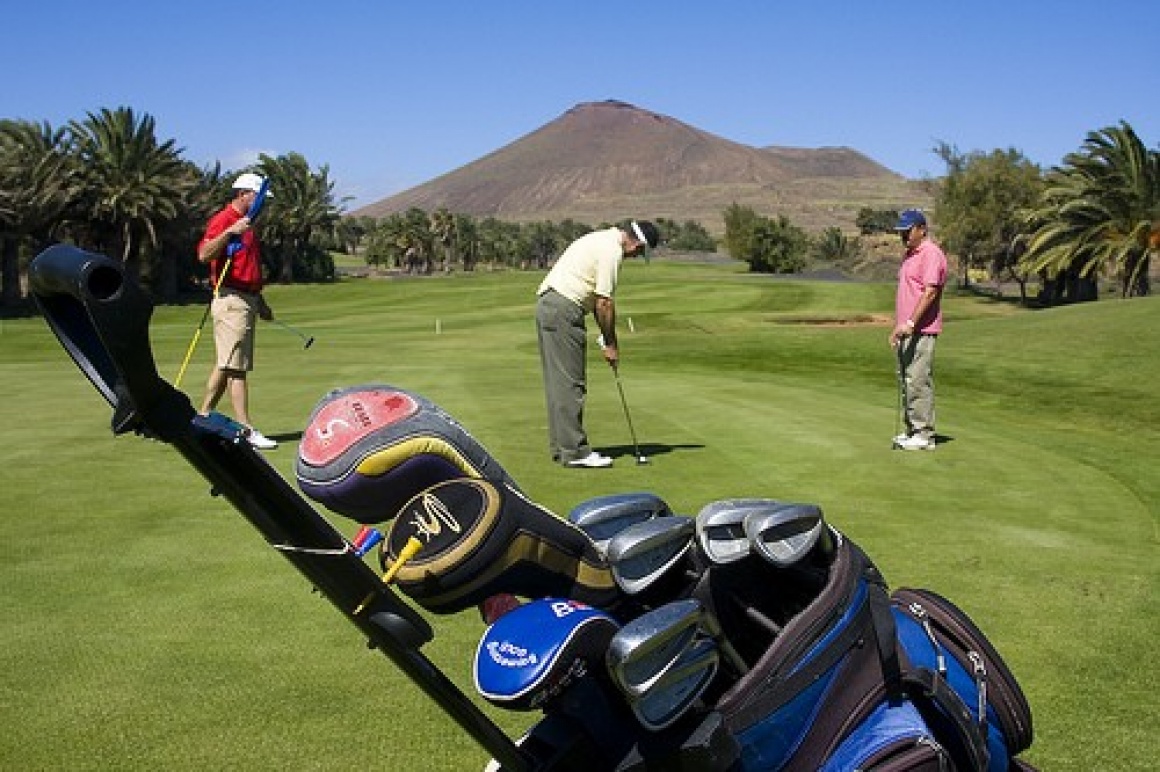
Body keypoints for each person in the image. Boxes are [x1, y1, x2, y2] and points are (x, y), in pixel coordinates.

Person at [536, 220, 660, 468]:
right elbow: (604, 303)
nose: (635, 257)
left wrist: (605, 337)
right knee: (571, 383)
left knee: (558, 383)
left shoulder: (601, 239)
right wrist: (611, 343)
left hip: (550, 305)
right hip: (563, 309)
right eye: (639, 252)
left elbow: (595, 299)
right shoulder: (612, 251)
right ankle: (576, 452)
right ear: (635, 242)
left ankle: (563, 448)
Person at [197, 172, 278, 450]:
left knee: (226, 363)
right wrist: (229, 233)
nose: (262, 205)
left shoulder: (249, 226)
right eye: (259, 198)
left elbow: (250, 267)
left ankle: (203, 415)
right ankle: (246, 430)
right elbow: (205, 254)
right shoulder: (225, 221)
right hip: (231, 299)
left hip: (247, 299)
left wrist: (261, 301)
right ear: (245, 194)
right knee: (236, 369)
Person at [889, 209, 947, 451]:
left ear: (922, 229)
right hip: (906, 329)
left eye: (908, 231)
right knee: (906, 379)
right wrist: (900, 326)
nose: (904, 236)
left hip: (921, 329)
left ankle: (924, 435)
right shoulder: (909, 255)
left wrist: (911, 323)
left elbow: (930, 292)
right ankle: (912, 429)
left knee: (918, 380)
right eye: (901, 232)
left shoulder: (931, 254)